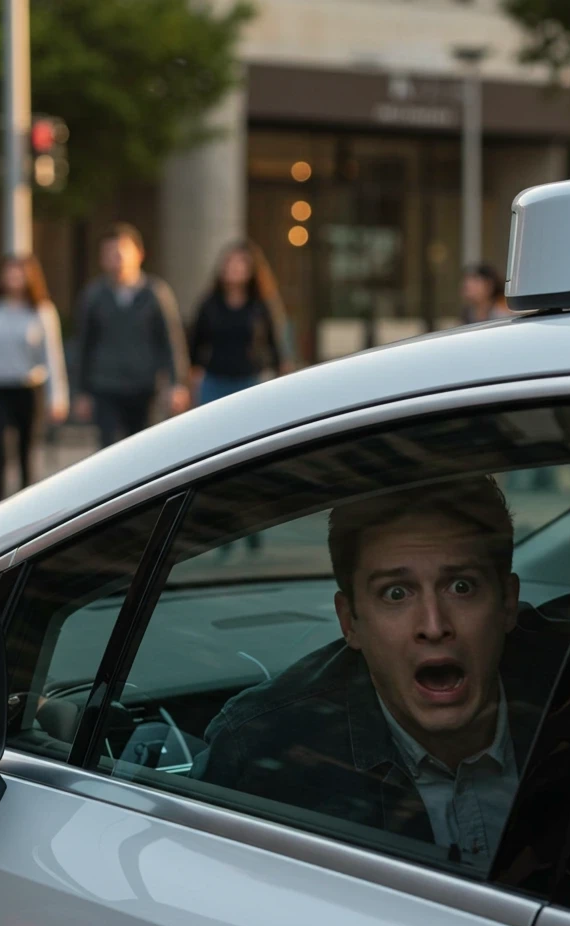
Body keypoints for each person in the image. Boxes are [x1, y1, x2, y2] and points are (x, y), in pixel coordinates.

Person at [191, 475, 543, 867]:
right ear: (350, 622)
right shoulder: (262, 754)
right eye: (396, 593)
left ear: (507, 603)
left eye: (461, 586)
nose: (433, 624)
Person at [0, 254, 69, 504]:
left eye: (18, 273)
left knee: (25, 453)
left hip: (28, 389)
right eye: (8, 273)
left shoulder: (41, 311)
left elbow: (53, 357)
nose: (13, 279)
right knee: (0, 448)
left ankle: (25, 508)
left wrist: (58, 398)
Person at [72, 223, 191, 448]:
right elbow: (84, 345)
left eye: (120, 252)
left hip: (145, 388)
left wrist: (177, 383)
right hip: (105, 386)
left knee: (143, 449)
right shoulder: (94, 296)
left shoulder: (155, 293)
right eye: (108, 253)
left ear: (139, 254)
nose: (115, 259)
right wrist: (81, 391)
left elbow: (171, 341)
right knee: (107, 451)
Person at [189, 239, 283, 406]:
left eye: (240, 263)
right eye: (229, 262)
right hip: (214, 381)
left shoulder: (259, 306)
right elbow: (195, 343)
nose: (234, 268)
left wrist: (280, 375)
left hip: (250, 381)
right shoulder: (209, 304)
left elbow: (275, 344)